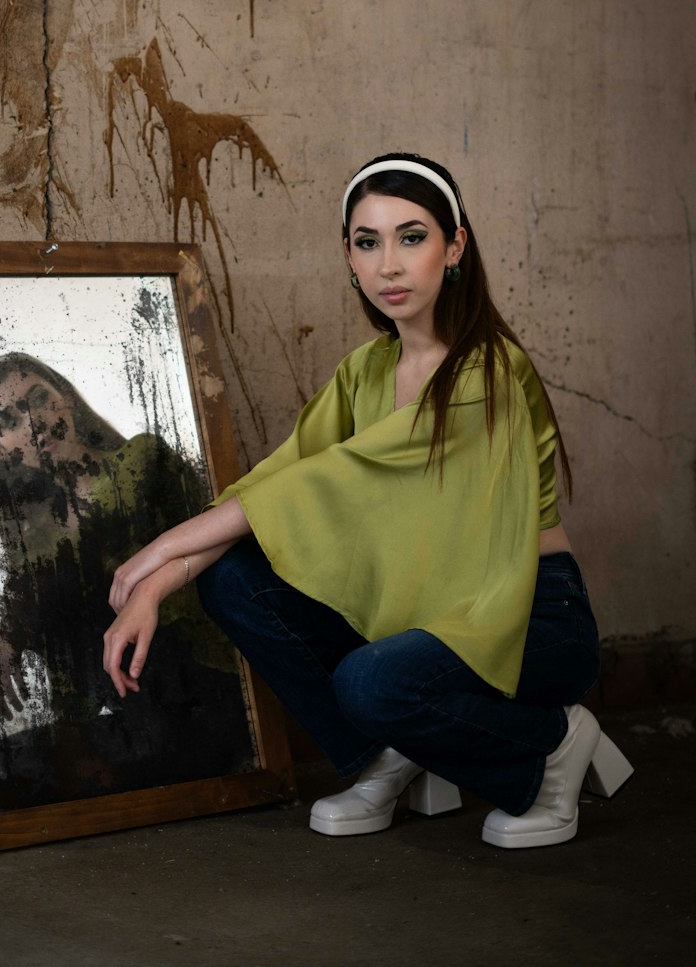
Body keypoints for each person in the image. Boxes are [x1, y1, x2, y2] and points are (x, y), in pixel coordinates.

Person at [103, 152, 604, 849]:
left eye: (412, 235)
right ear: (348, 255)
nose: (388, 264)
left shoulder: (488, 371)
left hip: (529, 616)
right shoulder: (365, 371)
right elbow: (277, 479)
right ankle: (385, 756)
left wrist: (159, 548)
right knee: (232, 576)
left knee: (371, 682)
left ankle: (550, 747)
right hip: (425, 608)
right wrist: (162, 581)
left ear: (455, 246)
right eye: (367, 242)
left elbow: (323, 485)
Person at [0, 353, 255, 811]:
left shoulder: (142, 461)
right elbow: (28, 596)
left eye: (39, 398)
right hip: (113, 698)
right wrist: (4, 641)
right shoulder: (28, 526)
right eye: (8, 417)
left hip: (195, 671)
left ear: (67, 401)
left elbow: (215, 541)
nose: (33, 420)